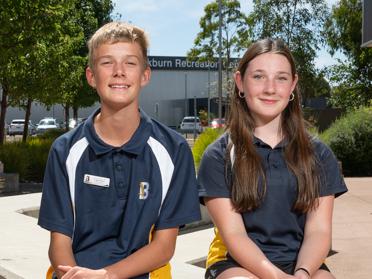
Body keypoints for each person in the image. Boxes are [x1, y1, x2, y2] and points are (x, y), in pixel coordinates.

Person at [38, 21, 201, 279]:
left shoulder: (174, 149)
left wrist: (106, 276)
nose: (119, 72)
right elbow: (59, 242)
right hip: (74, 273)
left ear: (145, 75)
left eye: (130, 63)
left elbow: (163, 247)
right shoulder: (65, 150)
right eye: (107, 62)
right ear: (91, 76)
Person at [197, 38, 347, 279]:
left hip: (302, 262)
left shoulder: (317, 153)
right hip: (237, 264)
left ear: (293, 86)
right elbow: (234, 235)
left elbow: (318, 231)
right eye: (258, 76)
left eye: (281, 78)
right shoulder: (219, 156)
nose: (270, 88)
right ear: (240, 83)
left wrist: (302, 273)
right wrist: (277, 277)